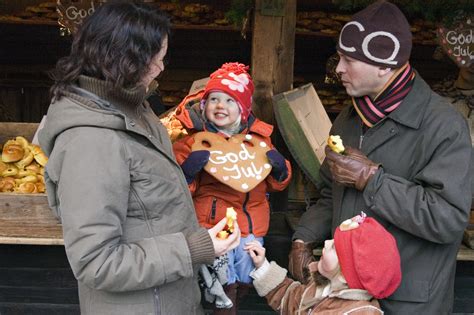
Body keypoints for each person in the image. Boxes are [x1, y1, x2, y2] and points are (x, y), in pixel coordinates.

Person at [38, 2, 240, 314]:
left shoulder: (135, 108)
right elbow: (97, 262)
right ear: (124, 61)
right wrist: (194, 249)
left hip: (169, 299)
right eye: (155, 60)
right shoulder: (90, 143)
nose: (161, 68)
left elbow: (150, 214)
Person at [288, 1, 472, 314]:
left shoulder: (443, 125)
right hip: (347, 295)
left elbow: (448, 220)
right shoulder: (349, 117)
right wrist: (303, 239)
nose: (338, 69)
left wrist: (372, 179)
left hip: (408, 302)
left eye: (349, 59)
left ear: (385, 65)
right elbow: (330, 193)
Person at [173, 62, 292, 314]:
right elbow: (176, 191)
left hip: (251, 227)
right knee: (219, 281)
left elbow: (274, 183)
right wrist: (187, 172)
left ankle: (234, 304)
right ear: (204, 106)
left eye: (229, 101)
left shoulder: (259, 142)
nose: (220, 106)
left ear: (243, 108)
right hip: (216, 226)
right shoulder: (192, 142)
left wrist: (281, 170)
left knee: (246, 277)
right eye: (214, 99)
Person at [246, 213, 401, 314]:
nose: (326, 242)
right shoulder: (320, 288)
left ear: (346, 274)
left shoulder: (360, 312)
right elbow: (289, 298)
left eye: (333, 247)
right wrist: (263, 267)